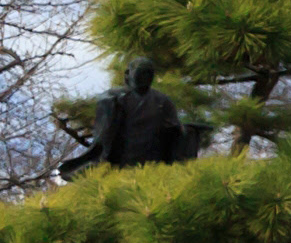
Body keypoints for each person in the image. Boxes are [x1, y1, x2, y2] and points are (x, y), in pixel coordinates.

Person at [54, 61, 197, 175]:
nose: (145, 77)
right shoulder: (112, 97)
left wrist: (186, 132)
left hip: (153, 160)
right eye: (141, 72)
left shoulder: (162, 100)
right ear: (128, 74)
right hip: (121, 159)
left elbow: (174, 129)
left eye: (149, 73)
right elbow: (103, 133)